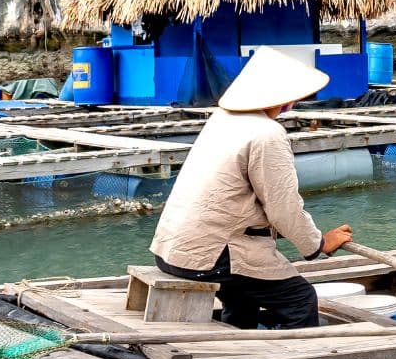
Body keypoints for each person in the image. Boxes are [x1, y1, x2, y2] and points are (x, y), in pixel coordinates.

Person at [148, 47, 353, 329]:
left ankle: (241, 340)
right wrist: (317, 244)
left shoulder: (221, 119)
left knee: (244, 294)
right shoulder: (267, 134)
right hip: (211, 258)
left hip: (173, 249)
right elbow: (283, 207)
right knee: (300, 299)